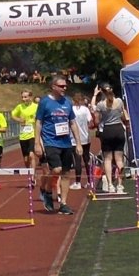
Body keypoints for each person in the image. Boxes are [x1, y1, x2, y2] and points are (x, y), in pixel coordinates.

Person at [34, 75, 82, 214]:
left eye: (65, 86)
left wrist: (78, 143)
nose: (64, 88)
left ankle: (63, 203)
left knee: (66, 173)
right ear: (53, 87)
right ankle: (48, 191)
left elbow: (72, 122)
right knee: (56, 170)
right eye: (61, 86)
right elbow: (38, 122)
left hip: (66, 143)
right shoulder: (45, 102)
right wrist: (37, 143)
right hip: (50, 141)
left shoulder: (67, 102)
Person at [93, 82, 129, 194]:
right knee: (119, 159)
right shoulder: (119, 101)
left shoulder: (100, 105)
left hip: (108, 130)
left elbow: (97, 121)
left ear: (102, 92)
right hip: (118, 129)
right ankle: (120, 185)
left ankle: (110, 185)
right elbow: (123, 116)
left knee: (108, 159)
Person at [11, 89, 38, 173]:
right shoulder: (20, 106)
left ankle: (33, 175)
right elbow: (13, 115)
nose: (23, 99)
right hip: (23, 135)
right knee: (26, 159)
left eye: (25, 97)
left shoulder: (36, 106)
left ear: (30, 97)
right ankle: (29, 171)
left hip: (32, 134)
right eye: (22, 97)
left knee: (31, 155)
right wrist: (19, 119)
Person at [69, 92, 93, 189]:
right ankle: (90, 181)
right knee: (86, 159)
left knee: (77, 161)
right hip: (85, 137)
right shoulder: (85, 109)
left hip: (74, 138)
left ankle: (78, 182)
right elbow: (90, 121)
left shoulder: (71, 109)